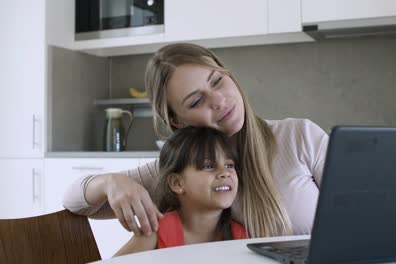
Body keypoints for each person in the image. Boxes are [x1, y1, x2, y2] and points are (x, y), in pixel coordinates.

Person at [63, 42, 328, 238]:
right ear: (178, 121)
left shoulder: (300, 136)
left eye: (217, 81)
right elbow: (74, 201)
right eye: (197, 100)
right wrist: (111, 182)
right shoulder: (182, 172)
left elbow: (363, 208)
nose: (219, 101)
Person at [114, 126, 247, 256]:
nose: (225, 173)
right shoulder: (156, 231)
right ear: (177, 183)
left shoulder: (238, 235)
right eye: (208, 166)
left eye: (229, 165)